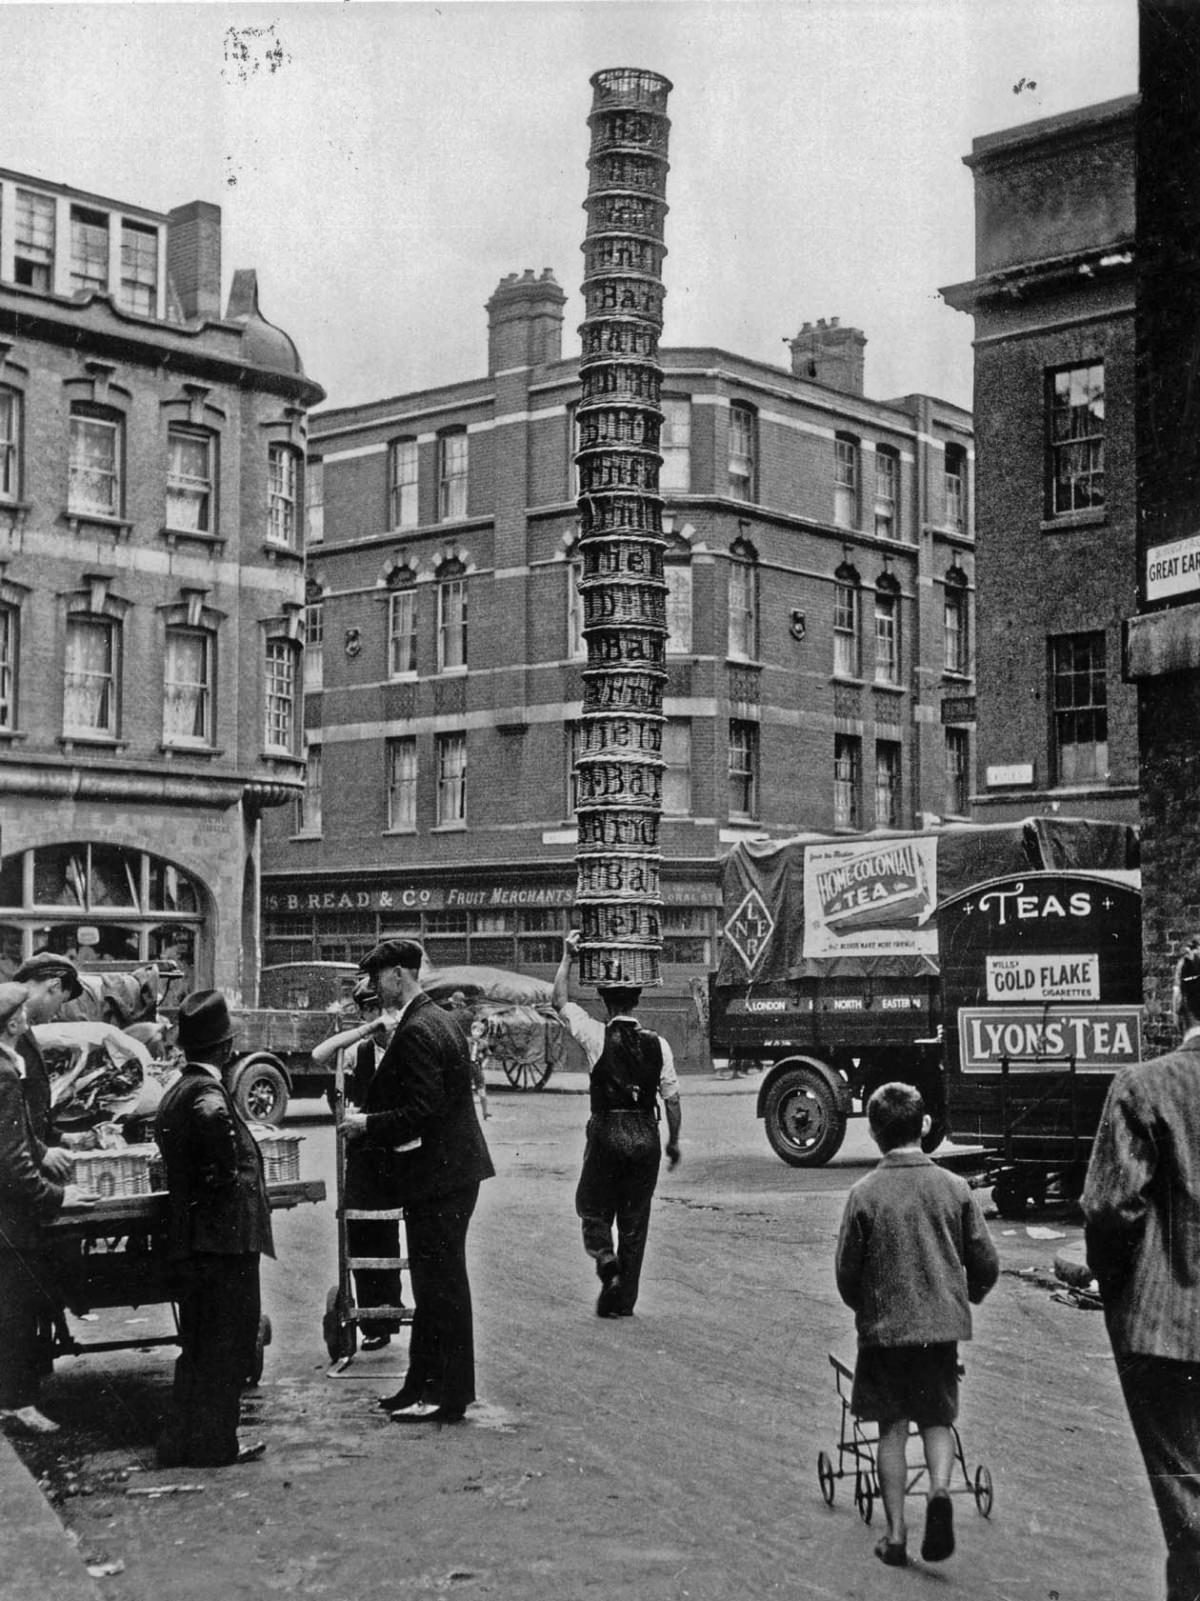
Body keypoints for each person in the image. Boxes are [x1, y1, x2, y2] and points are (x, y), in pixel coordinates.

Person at [834, 1081, 998, 1568]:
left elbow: (847, 1273)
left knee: (891, 1427)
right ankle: (940, 1492)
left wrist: (866, 1306)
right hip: (939, 1329)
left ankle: (897, 1535)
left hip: (885, 1331)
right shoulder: (954, 1188)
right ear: (925, 1126)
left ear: (873, 1132)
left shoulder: (863, 1195)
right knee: (937, 1418)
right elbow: (985, 1263)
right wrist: (963, 1295)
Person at [1082, 942, 1200, 1601]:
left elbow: (1109, 1206)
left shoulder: (1143, 1086)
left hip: (1162, 1329)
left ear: (1180, 999)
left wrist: (1113, 1281)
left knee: (1186, 1501)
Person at [342, 940, 494, 1424]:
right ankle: (420, 1385)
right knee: (436, 1284)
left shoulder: (418, 1029)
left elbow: (423, 1111)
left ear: (399, 975)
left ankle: (446, 1395)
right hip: (450, 1174)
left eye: (377, 976)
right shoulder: (437, 1019)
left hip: (440, 1176)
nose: (371, 985)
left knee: (441, 1286)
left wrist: (367, 1124)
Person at [153, 991, 274, 1468]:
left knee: (198, 1347)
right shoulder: (207, 1093)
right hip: (223, 1243)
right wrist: (224, 1174)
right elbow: (212, 1120)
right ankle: (215, 1443)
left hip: (196, 1239)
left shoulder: (176, 1090)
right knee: (226, 1346)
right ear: (225, 1050)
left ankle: (180, 1441)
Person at [551, 930, 682, 1319]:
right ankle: (622, 1302)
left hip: (607, 1131)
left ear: (604, 1002)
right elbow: (672, 1100)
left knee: (592, 1207)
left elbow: (558, 1001)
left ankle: (605, 1259)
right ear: (638, 1000)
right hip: (646, 1136)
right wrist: (673, 1142)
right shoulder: (660, 1044)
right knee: (635, 1221)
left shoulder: (595, 1034)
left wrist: (568, 956)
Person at [0, 981, 94, 1433]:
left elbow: (17, 1139)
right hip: (10, 1221)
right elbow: (13, 1164)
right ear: (14, 1021)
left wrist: (43, 1150)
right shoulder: (3, 1073)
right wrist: (60, 1196)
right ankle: (16, 1404)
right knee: (17, 1310)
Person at [311, 976, 406, 1348]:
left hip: (403, 1156)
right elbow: (322, 1059)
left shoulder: (408, 1047)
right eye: (371, 1010)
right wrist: (368, 1030)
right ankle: (373, 1320)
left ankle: (391, 1309)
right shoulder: (358, 1052)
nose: (383, 1018)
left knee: (393, 1236)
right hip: (366, 1159)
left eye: (385, 1008)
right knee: (363, 1234)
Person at [12, 952, 84, 1177]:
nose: (57, 1013)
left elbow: (24, 1109)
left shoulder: (21, 1028)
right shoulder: (9, 1029)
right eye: (60, 1002)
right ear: (53, 985)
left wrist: (60, 1137)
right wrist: (41, 1152)